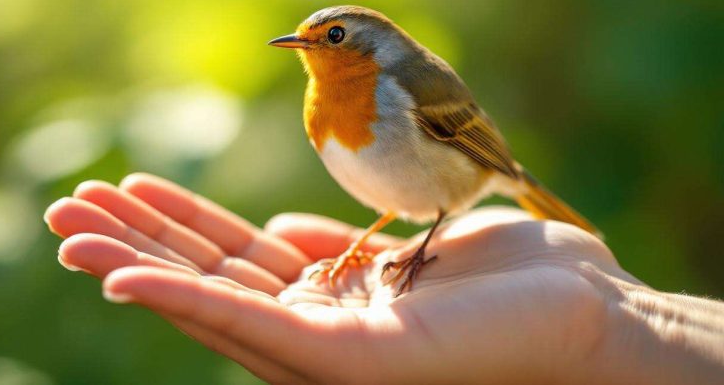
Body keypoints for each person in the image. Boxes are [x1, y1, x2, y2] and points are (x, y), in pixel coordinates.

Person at [44, 173, 724, 384]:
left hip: (459, 180)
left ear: (367, 51)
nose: (311, 45)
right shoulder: (325, 101)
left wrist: (608, 316)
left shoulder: (396, 89)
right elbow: (394, 198)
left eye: (333, 37)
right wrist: (616, 324)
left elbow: (445, 185)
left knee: (425, 216)